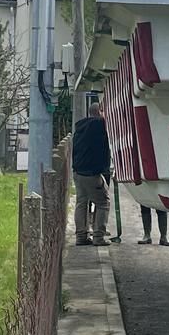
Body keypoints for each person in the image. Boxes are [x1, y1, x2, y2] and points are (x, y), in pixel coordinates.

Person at [70, 100, 112, 246]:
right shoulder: (99, 125)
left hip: (78, 172)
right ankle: (98, 236)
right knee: (103, 202)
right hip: (91, 173)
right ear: (100, 112)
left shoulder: (80, 127)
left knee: (81, 202)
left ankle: (81, 236)